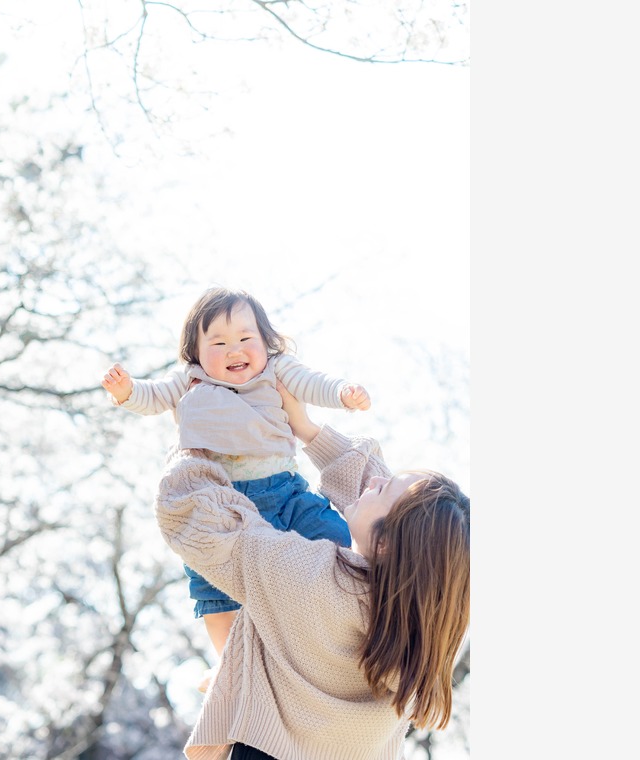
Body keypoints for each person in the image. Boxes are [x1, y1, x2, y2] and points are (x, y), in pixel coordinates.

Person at [155, 382, 471, 760]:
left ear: (387, 544)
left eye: (382, 488)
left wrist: (192, 436)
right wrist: (305, 427)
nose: (373, 480)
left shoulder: (311, 577)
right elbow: (410, 525)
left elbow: (193, 517)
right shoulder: (428, 627)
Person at [101, 287, 371, 680]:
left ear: (266, 343)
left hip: (283, 492)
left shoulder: (277, 370)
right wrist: (126, 391)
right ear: (195, 352)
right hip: (221, 500)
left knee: (333, 535)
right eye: (219, 342)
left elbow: (314, 383)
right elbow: (153, 396)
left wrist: (343, 393)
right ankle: (229, 664)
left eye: (246, 339)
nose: (234, 350)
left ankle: (355, 627)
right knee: (209, 577)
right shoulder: (190, 381)